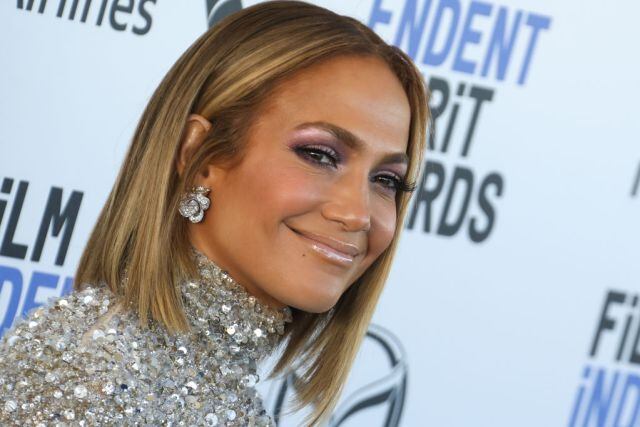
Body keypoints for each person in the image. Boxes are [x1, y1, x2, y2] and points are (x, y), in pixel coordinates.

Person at [0, 1, 430, 425]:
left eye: (386, 180)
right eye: (318, 155)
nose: (358, 214)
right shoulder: (84, 377)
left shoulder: (204, 388)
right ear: (198, 155)